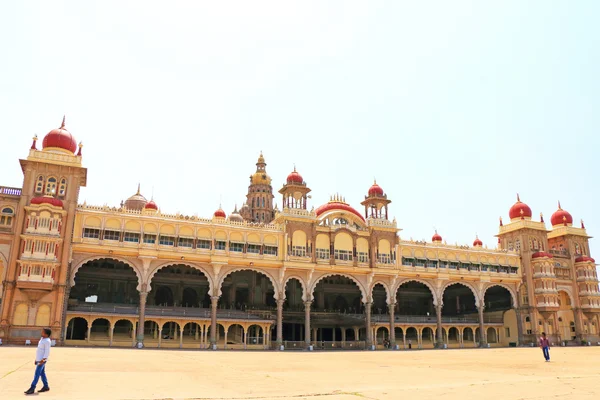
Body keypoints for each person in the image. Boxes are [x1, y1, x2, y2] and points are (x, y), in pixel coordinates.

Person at [25, 328, 52, 394]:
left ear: (46, 334)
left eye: (42, 332)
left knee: (37, 374)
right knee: (42, 373)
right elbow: (39, 350)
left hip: (42, 360)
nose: (41, 333)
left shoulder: (47, 341)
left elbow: (47, 352)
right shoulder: (42, 339)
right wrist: (36, 359)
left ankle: (32, 387)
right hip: (39, 359)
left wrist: (42, 360)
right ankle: (46, 386)